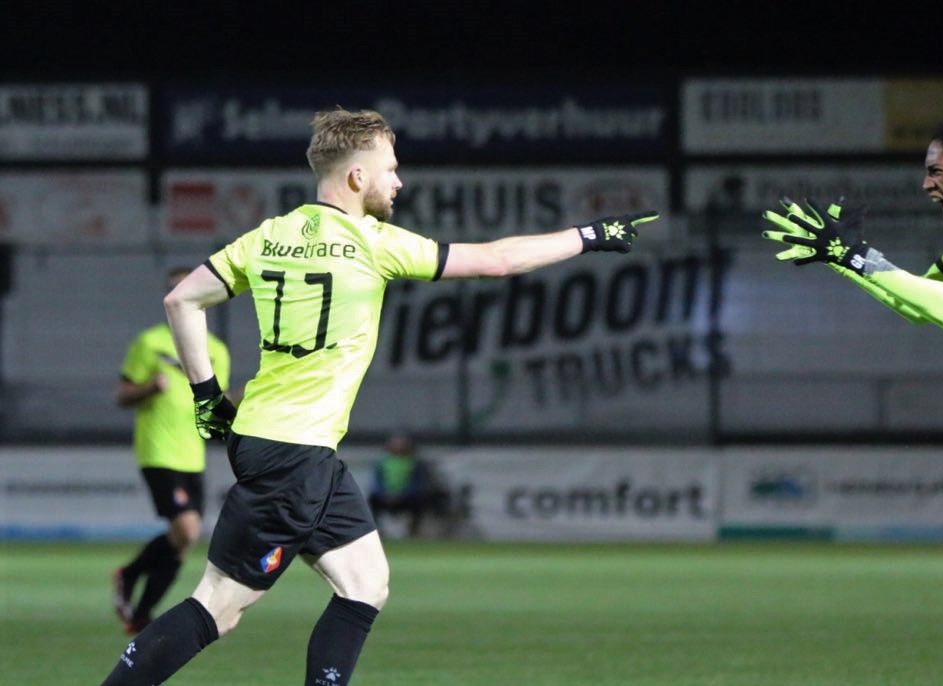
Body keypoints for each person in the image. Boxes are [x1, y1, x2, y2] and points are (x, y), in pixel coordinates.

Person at [98, 106, 658, 686]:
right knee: (217, 607)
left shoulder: (269, 235)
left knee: (365, 584)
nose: (399, 181)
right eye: (390, 168)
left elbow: (181, 302)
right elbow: (496, 261)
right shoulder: (371, 242)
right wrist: (590, 235)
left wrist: (207, 396)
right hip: (294, 455)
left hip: (286, 446)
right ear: (357, 177)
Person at [760, 110, 943, 685]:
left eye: (936, 170)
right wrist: (845, 258)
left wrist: (860, 259)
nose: (927, 183)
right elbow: (917, 302)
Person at [111, 266, 231, 635]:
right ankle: (130, 576)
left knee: (182, 544)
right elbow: (122, 395)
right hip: (158, 450)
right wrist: (149, 387)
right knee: (188, 529)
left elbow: (215, 407)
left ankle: (140, 611)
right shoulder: (150, 342)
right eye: (174, 289)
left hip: (191, 455)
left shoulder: (217, 351)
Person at [368, 432, 441, 538]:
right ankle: (377, 531)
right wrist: (386, 494)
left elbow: (418, 484)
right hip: (385, 497)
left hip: (407, 497)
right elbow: (377, 483)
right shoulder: (383, 463)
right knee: (372, 499)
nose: (399, 446)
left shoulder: (414, 463)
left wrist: (401, 495)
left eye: (402, 443)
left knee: (420, 501)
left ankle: (413, 531)